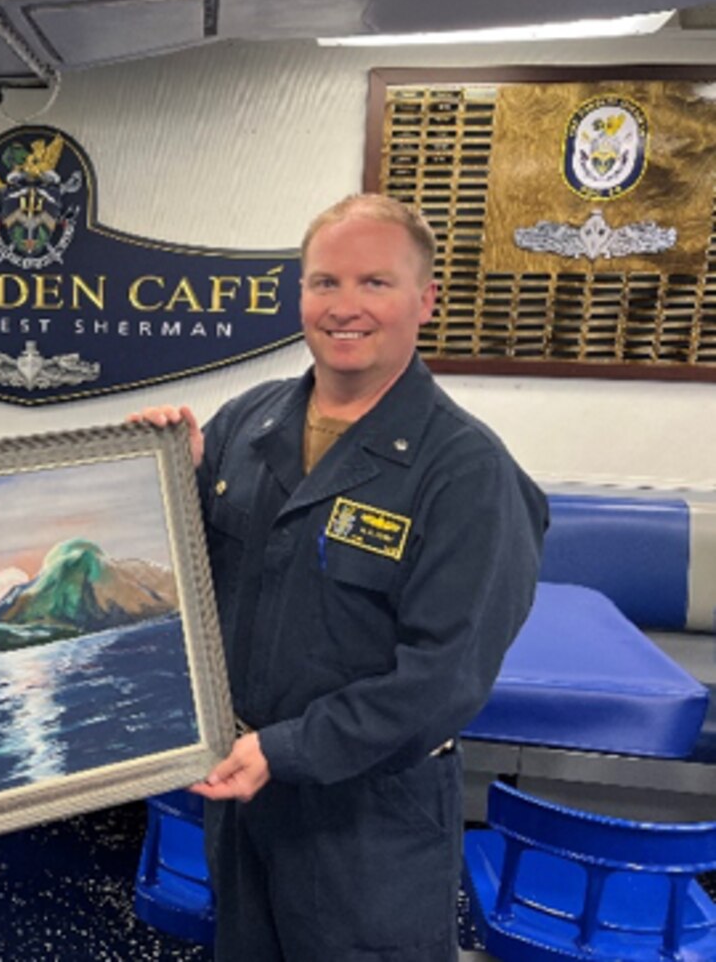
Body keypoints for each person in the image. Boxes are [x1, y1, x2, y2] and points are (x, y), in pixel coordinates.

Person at [133, 194, 546, 961]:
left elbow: (443, 680)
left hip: (368, 820)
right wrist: (165, 482)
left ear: (425, 300)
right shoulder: (244, 427)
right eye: (325, 282)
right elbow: (196, 588)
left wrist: (287, 751)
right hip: (244, 795)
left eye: (375, 284)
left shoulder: (466, 473)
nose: (345, 307)